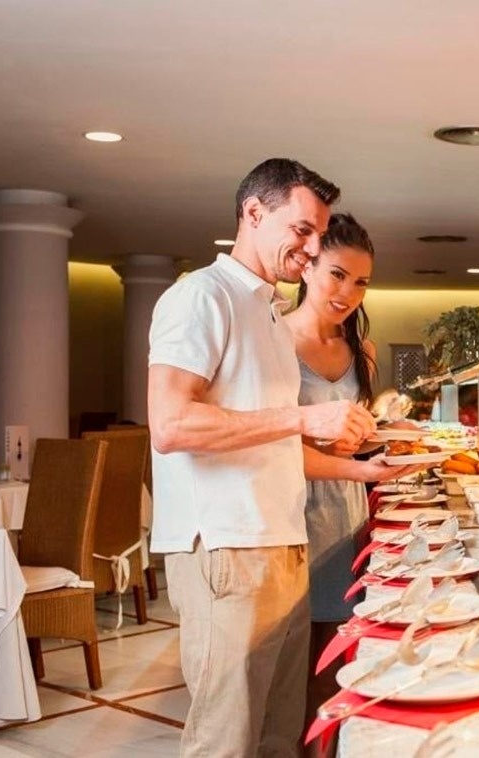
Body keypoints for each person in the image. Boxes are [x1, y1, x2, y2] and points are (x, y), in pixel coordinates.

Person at [147, 158, 379, 757]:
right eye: (301, 229)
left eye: (317, 234)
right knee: (227, 738)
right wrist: (303, 417)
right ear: (253, 212)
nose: (310, 247)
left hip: (282, 542)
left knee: (279, 733)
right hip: (226, 547)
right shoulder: (201, 296)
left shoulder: (269, 315)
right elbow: (170, 424)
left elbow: (268, 435)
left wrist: (338, 444)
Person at [284, 213, 420, 750]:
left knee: (340, 666)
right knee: (298, 675)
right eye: (337, 274)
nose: (348, 293)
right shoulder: (276, 343)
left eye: (361, 282)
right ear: (307, 266)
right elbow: (273, 449)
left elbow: (350, 437)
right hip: (295, 517)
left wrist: (389, 435)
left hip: (348, 512)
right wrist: (357, 459)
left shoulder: (358, 348)